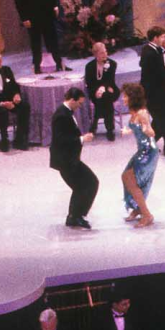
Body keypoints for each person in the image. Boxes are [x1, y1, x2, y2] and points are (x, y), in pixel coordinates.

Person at [50, 87, 98, 229]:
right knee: (86, 184)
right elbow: (60, 139)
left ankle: (75, 216)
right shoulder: (61, 115)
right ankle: (75, 216)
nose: (80, 106)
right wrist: (82, 139)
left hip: (71, 159)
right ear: (72, 100)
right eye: (79, 103)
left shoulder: (65, 112)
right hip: (66, 161)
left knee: (86, 184)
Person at [10, 0, 62, 75]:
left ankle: (59, 64)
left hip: (47, 15)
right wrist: (24, 18)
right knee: (36, 43)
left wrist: (55, 5)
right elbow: (19, 2)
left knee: (52, 40)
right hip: (33, 18)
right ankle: (37, 67)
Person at [138, 27, 165, 158]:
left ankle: (147, 146)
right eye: (163, 38)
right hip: (154, 93)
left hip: (163, 92)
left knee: (160, 122)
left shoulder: (156, 51)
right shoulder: (150, 52)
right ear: (156, 38)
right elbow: (157, 74)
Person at [119, 83, 158, 227]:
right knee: (126, 177)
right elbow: (134, 128)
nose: (123, 99)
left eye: (125, 96)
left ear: (132, 97)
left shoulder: (142, 113)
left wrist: (146, 128)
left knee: (130, 179)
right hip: (142, 150)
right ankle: (137, 208)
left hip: (148, 151)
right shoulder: (133, 112)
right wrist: (128, 131)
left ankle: (147, 215)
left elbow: (151, 132)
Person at [84, 41, 122, 142]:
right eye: (102, 53)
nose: (105, 54)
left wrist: (102, 89)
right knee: (105, 98)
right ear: (95, 54)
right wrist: (97, 91)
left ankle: (94, 124)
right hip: (95, 92)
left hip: (111, 89)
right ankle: (110, 129)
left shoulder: (112, 64)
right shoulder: (89, 66)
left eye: (105, 52)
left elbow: (109, 81)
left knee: (106, 96)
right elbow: (89, 82)